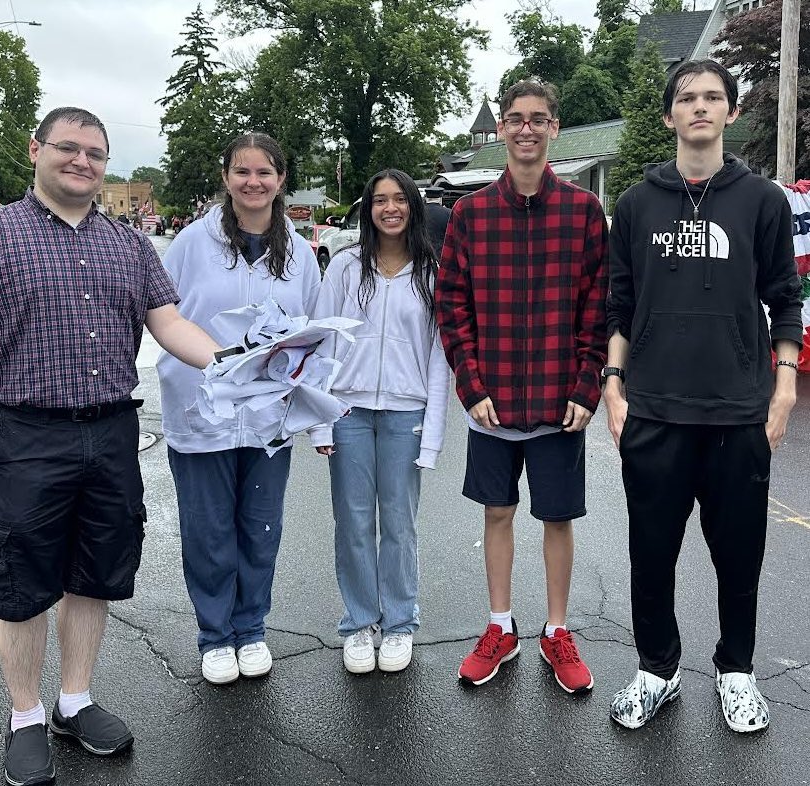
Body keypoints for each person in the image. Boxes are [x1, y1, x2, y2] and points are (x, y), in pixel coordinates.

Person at [0, 107, 222, 786]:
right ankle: (25, 715)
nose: (82, 161)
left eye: (95, 152)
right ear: (37, 149)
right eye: (69, 148)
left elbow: (169, 322)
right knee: (22, 579)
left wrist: (232, 362)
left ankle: (74, 701)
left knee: (96, 570)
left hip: (113, 429)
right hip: (28, 432)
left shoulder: (128, 245)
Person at [605, 60, 803, 733]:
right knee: (651, 555)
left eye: (712, 97)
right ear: (669, 116)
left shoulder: (763, 201)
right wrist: (613, 387)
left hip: (739, 414)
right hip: (654, 411)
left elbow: (785, 300)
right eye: (686, 98)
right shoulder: (635, 204)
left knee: (739, 557)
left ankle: (737, 672)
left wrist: (782, 390)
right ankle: (657, 670)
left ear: (729, 111)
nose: (699, 107)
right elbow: (621, 307)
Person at [436, 79, 608, 692]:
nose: (526, 128)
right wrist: (471, 385)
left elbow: (597, 307)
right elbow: (451, 306)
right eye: (515, 119)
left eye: (538, 118)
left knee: (557, 517)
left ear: (554, 128)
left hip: (562, 403)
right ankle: (501, 626)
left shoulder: (583, 212)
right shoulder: (471, 214)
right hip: (492, 401)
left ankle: (557, 631)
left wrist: (587, 389)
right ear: (502, 129)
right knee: (499, 511)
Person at [157, 133, 320, 687]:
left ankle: (251, 628)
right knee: (208, 529)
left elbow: (312, 329)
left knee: (259, 527)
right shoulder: (190, 244)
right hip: (202, 410)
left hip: (270, 413)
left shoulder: (298, 252)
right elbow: (164, 318)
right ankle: (215, 634)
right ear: (225, 177)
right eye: (242, 171)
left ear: (281, 180)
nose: (254, 182)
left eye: (265, 173)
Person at [311, 168, 449, 674]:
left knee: (399, 523)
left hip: (405, 412)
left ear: (413, 207)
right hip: (347, 411)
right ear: (367, 210)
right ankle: (359, 622)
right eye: (379, 201)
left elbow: (439, 358)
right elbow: (320, 344)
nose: (390, 208)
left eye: (399, 200)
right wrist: (320, 421)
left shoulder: (433, 272)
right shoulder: (346, 268)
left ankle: (398, 623)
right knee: (352, 521)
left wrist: (431, 436)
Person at [423, 184, 451, 257]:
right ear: (440, 198)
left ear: (426, 198)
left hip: (421, 252)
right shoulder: (449, 213)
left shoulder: (417, 212)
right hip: (442, 254)